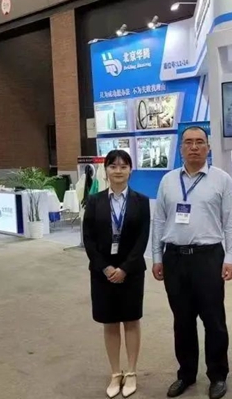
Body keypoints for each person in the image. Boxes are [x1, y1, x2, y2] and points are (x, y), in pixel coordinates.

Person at [151, 126, 232, 399]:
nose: (194, 147)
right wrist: (156, 256)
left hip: (208, 257)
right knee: (182, 321)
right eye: (188, 142)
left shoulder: (221, 180)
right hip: (174, 258)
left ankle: (218, 375)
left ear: (208, 148)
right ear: (180, 148)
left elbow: (231, 221)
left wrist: (231, 257)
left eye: (200, 142)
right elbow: (159, 221)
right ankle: (186, 374)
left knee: (214, 321)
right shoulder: (167, 181)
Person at [83, 150, 150, 399]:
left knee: (131, 320)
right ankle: (115, 372)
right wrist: (106, 267)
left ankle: (131, 371)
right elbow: (88, 239)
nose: (118, 171)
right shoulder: (94, 201)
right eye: (113, 166)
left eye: (123, 166)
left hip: (131, 272)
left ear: (131, 170)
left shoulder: (141, 201)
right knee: (109, 322)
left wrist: (124, 268)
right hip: (103, 272)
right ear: (106, 170)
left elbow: (142, 238)